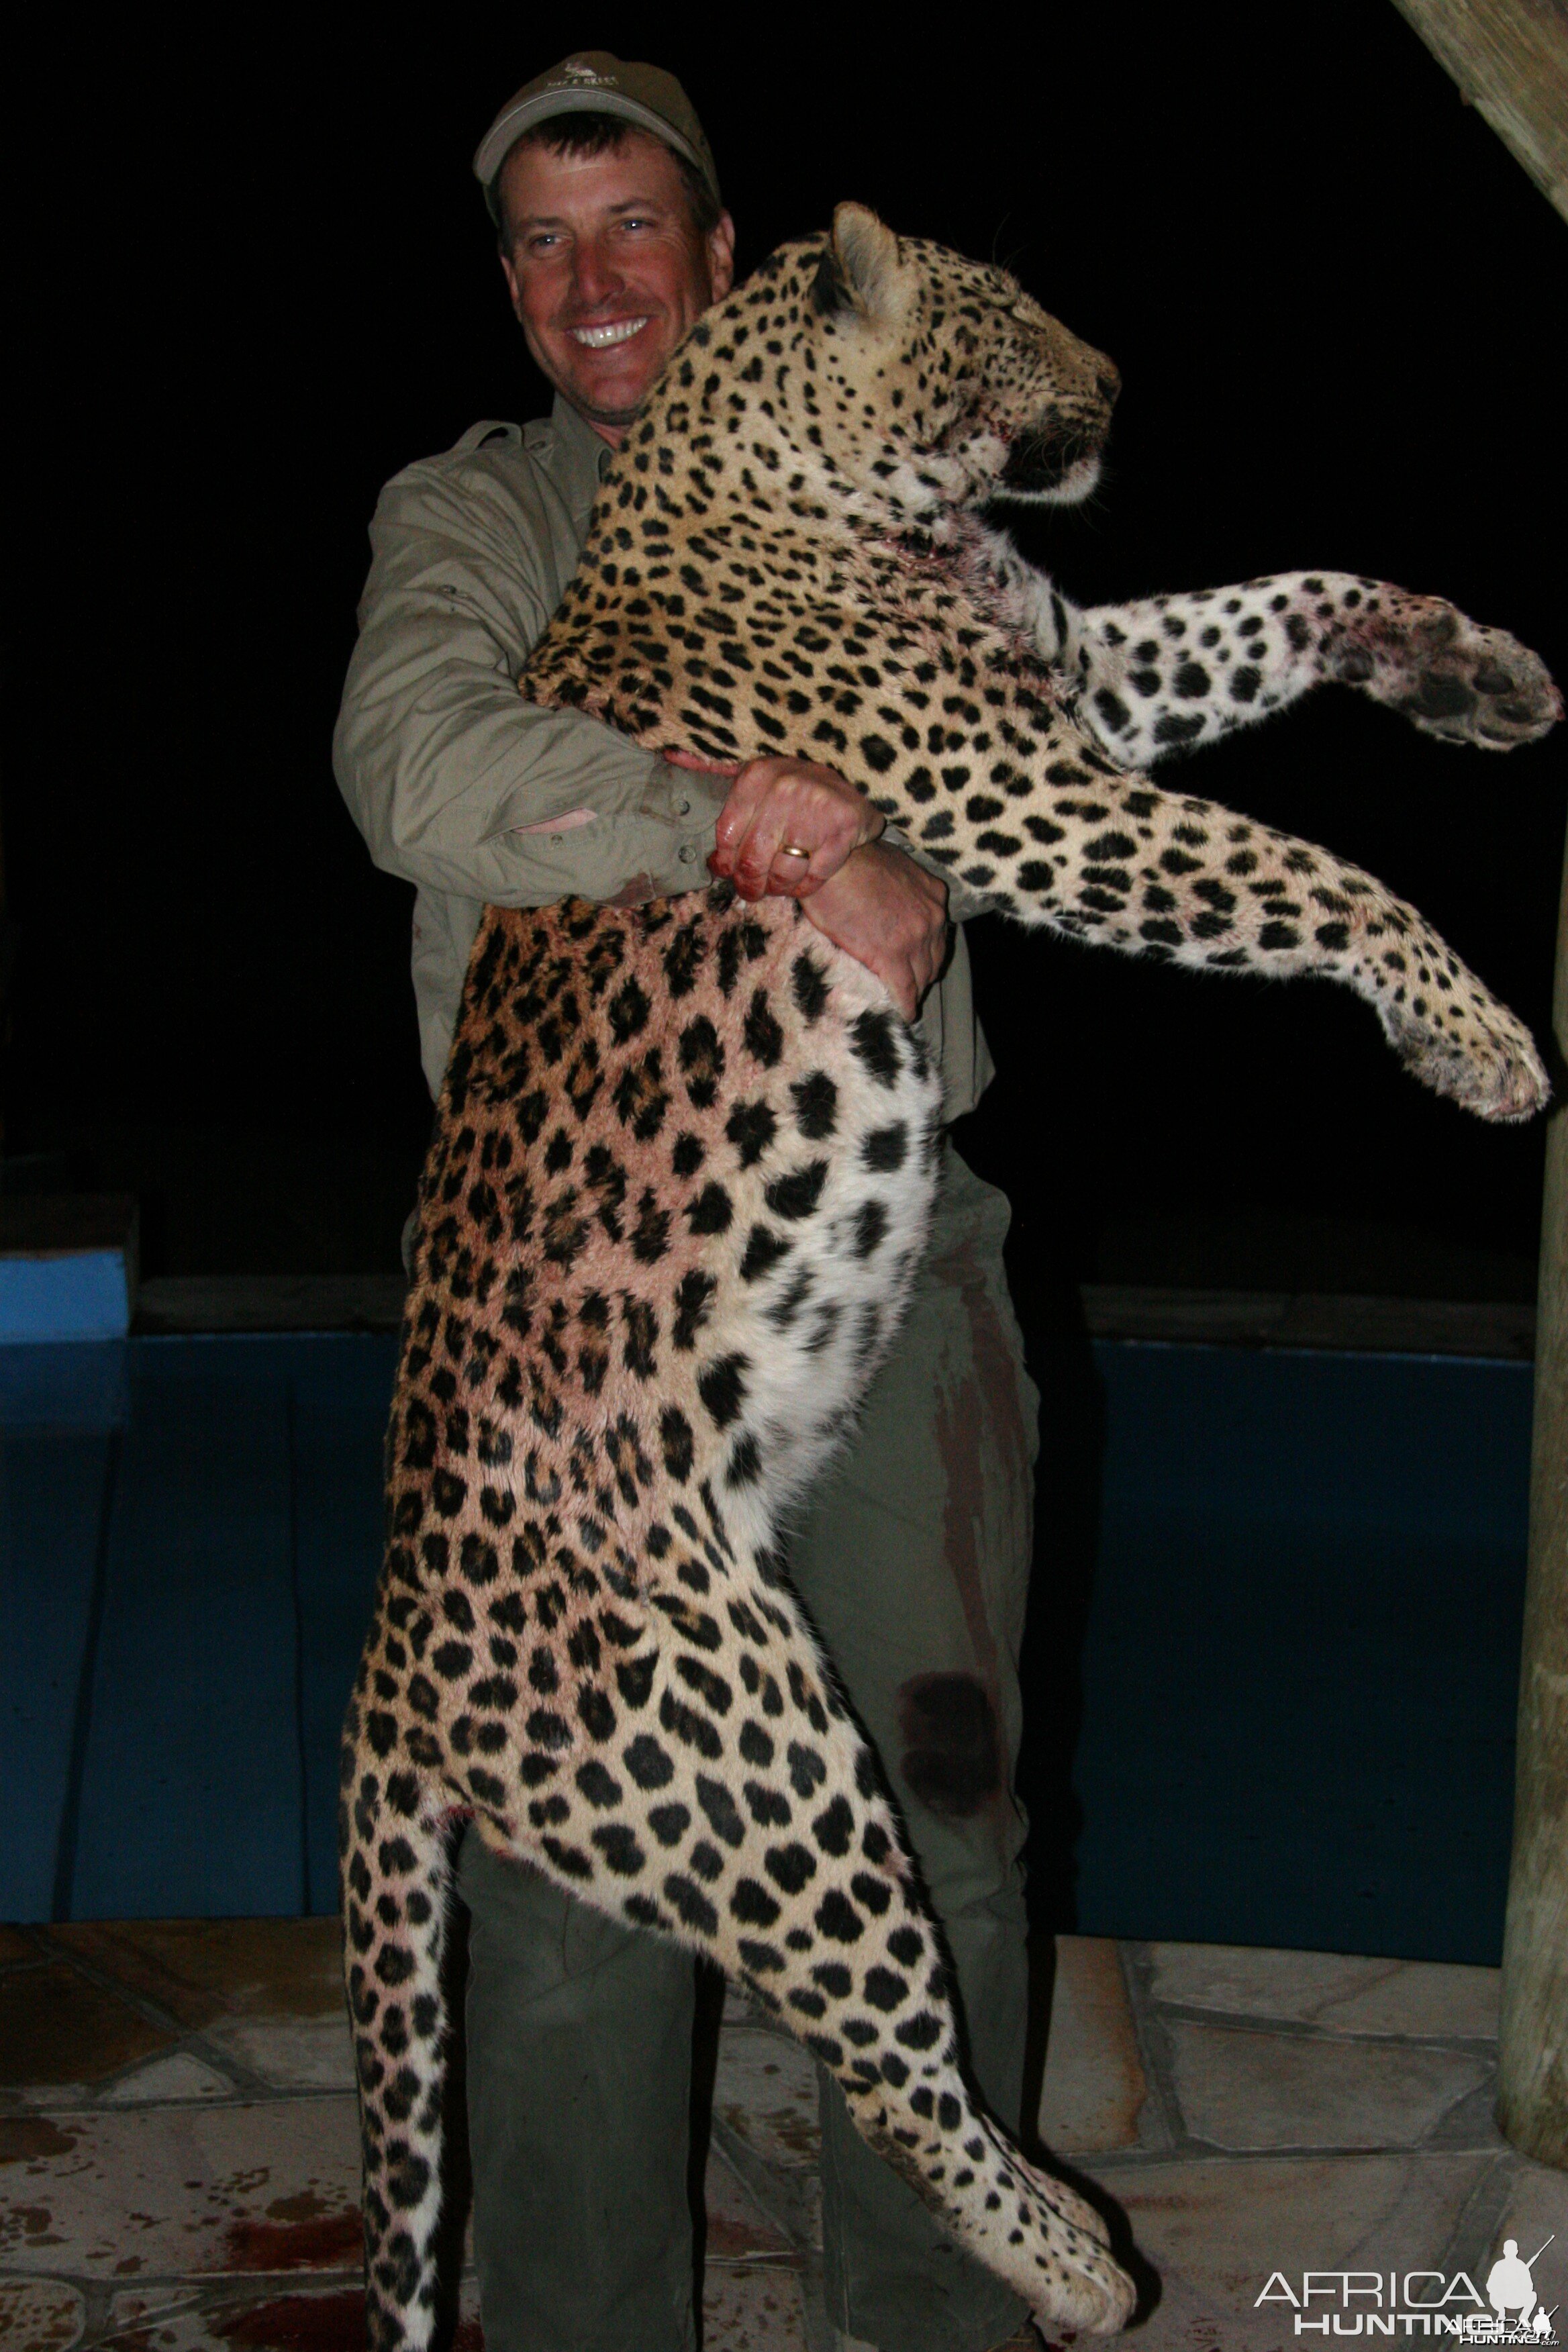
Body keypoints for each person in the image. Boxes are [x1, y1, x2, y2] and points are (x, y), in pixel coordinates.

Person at [334, 52, 1042, 2352]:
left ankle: (929, 2321)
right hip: (573, 1321)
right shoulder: (474, 516)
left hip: (886, 1250)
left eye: (635, 224)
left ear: (733, 260)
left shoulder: (888, 510)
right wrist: (769, 813)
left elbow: (1054, 751)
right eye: (542, 242)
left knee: (942, 1810)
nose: (592, 283)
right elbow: (421, 764)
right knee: (565, 1888)